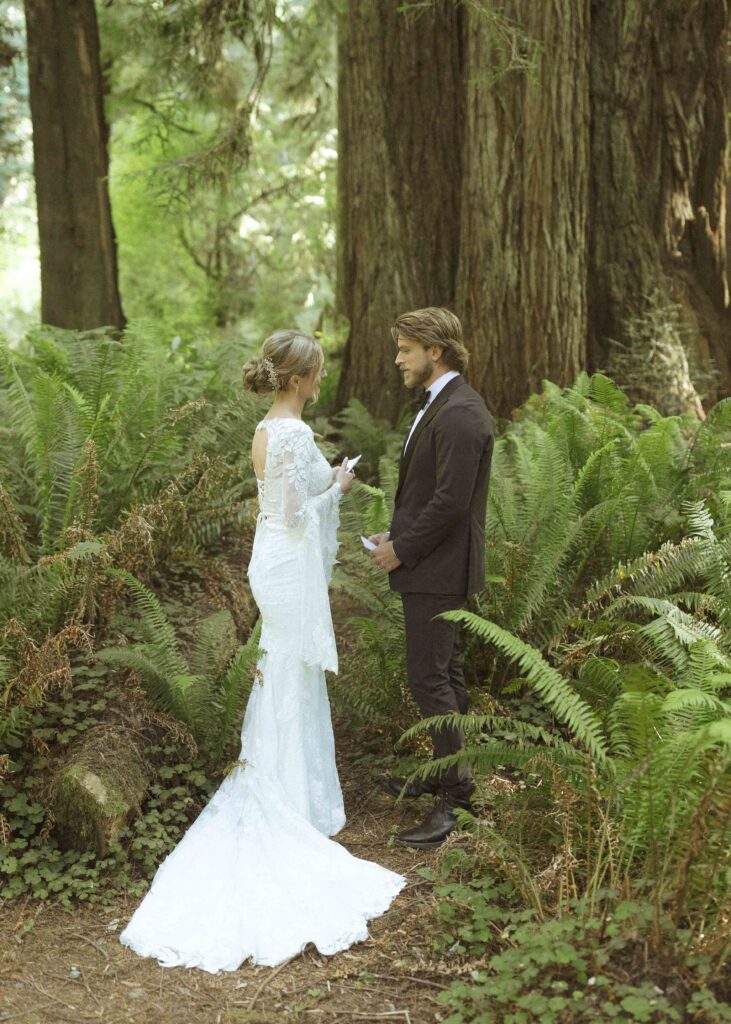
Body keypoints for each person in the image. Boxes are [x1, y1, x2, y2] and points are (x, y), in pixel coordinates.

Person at [119, 329, 405, 972]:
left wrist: (320, 489)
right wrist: (340, 486)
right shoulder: (295, 435)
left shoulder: (262, 430)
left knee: (282, 668)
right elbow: (296, 512)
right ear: (299, 378)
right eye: (320, 372)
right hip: (288, 559)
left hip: (270, 560)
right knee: (289, 669)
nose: (323, 381)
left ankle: (285, 785)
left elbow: (275, 510)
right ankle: (289, 799)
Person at [369, 308, 493, 850]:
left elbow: (451, 503)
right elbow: (427, 493)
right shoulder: (440, 405)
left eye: (406, 350)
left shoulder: (462, 413)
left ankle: (457, 797)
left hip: (438, 569)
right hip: (431, 564)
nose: (398, 359)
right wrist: (393, 531)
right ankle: (449, 774)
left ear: (434, 351)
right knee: (447, 674)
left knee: (430, 680)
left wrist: (402, 549)